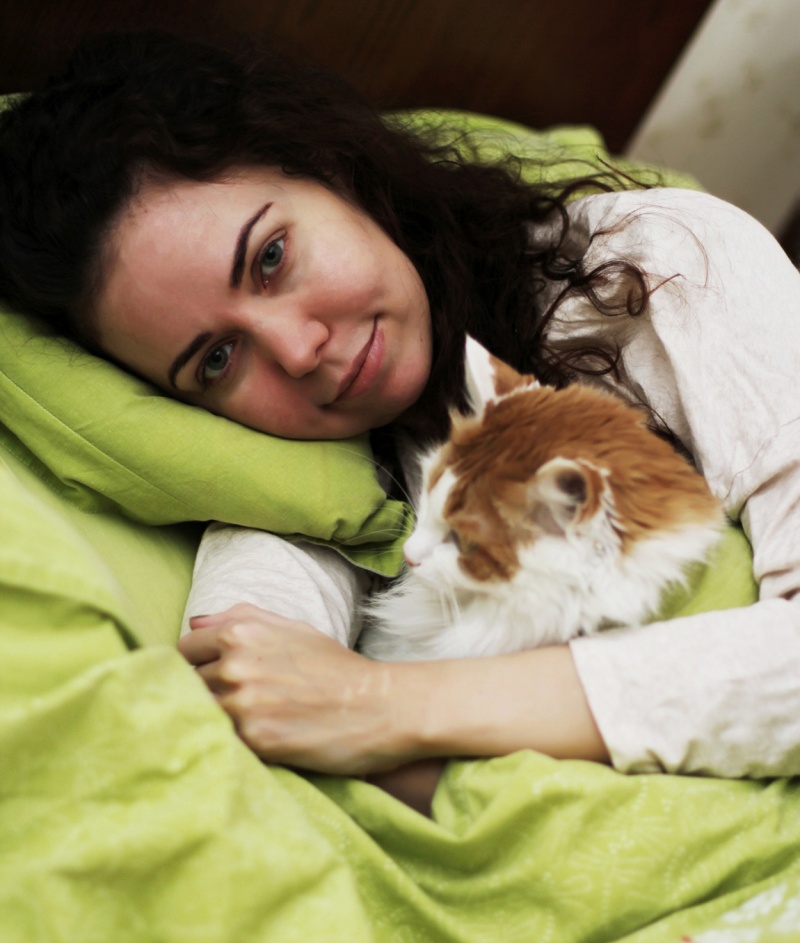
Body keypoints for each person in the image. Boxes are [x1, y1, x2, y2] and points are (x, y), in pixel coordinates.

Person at [1, 30, 798, 814]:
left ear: (326, 166)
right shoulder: (301, 487)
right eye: (217, 359)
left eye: (270, 257)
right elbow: (246, 698)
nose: (298, 350)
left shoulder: (655, 270)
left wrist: (382, 704)